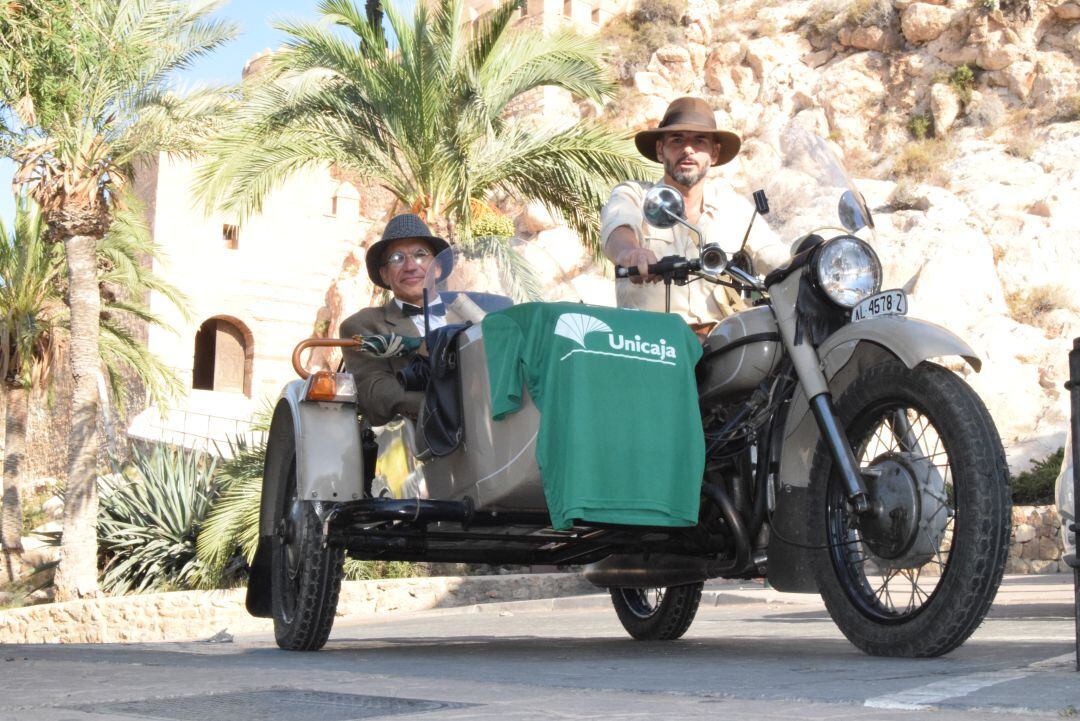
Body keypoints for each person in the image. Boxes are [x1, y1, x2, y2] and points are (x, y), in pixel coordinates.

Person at [601, 96, 789, 323]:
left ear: (714, 153)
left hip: (720, 346)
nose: (688, 149)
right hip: (649, 344)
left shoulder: (732, 206)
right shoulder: (635, 196)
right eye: (677, 140)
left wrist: (808, 259)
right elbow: (618, 228)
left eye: (699, 141)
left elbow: (772, 255)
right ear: (661, 150)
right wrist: (630, 253)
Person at [340, 214, 449, 425]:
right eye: (397, 258)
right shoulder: (363, 325)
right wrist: (446, 405)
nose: (410, 266)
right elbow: (377, 392)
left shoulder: (474, 313)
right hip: (418, 438)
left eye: (420, 255)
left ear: (437, 267)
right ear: (384, 275)